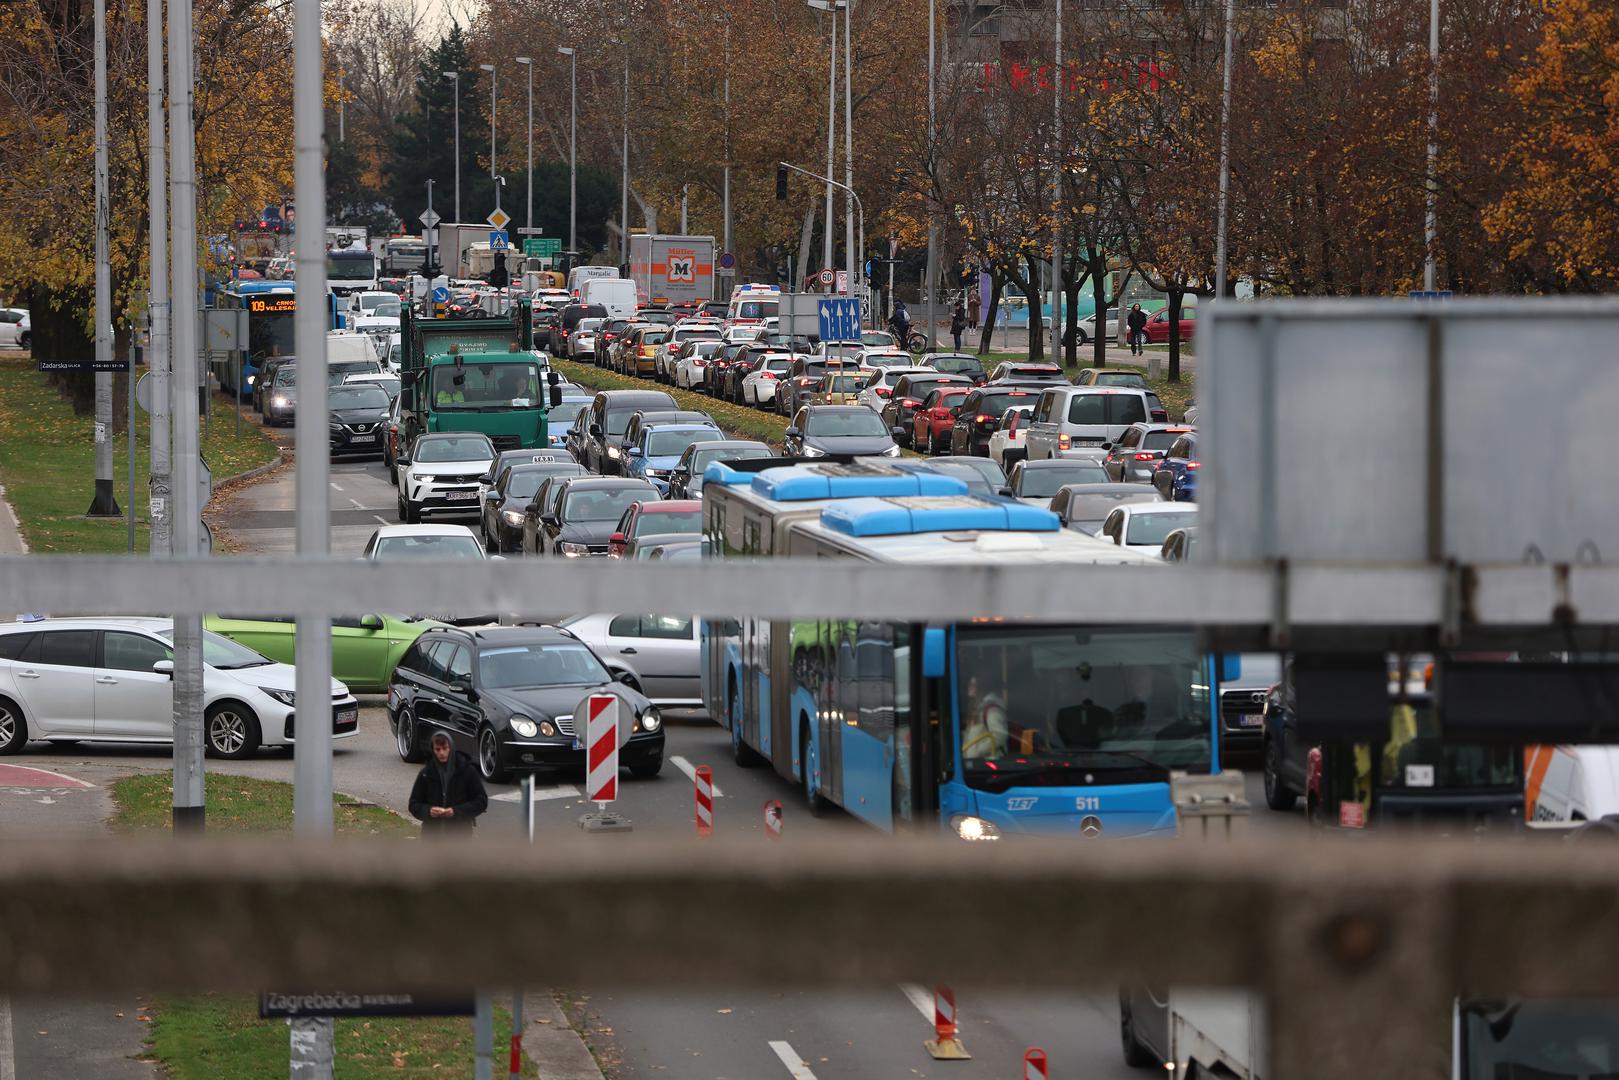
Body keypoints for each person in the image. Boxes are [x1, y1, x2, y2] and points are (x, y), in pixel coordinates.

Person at [409, 730, 489, 833]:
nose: (441, 753)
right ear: (432, 750)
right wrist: (429, 811)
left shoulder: (467, 771)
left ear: (451, 747)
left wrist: (456, 811)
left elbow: (481, 801)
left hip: (459, 835)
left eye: (444, 748)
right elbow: (414, 804)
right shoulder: (426, 774)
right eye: (437, 749)